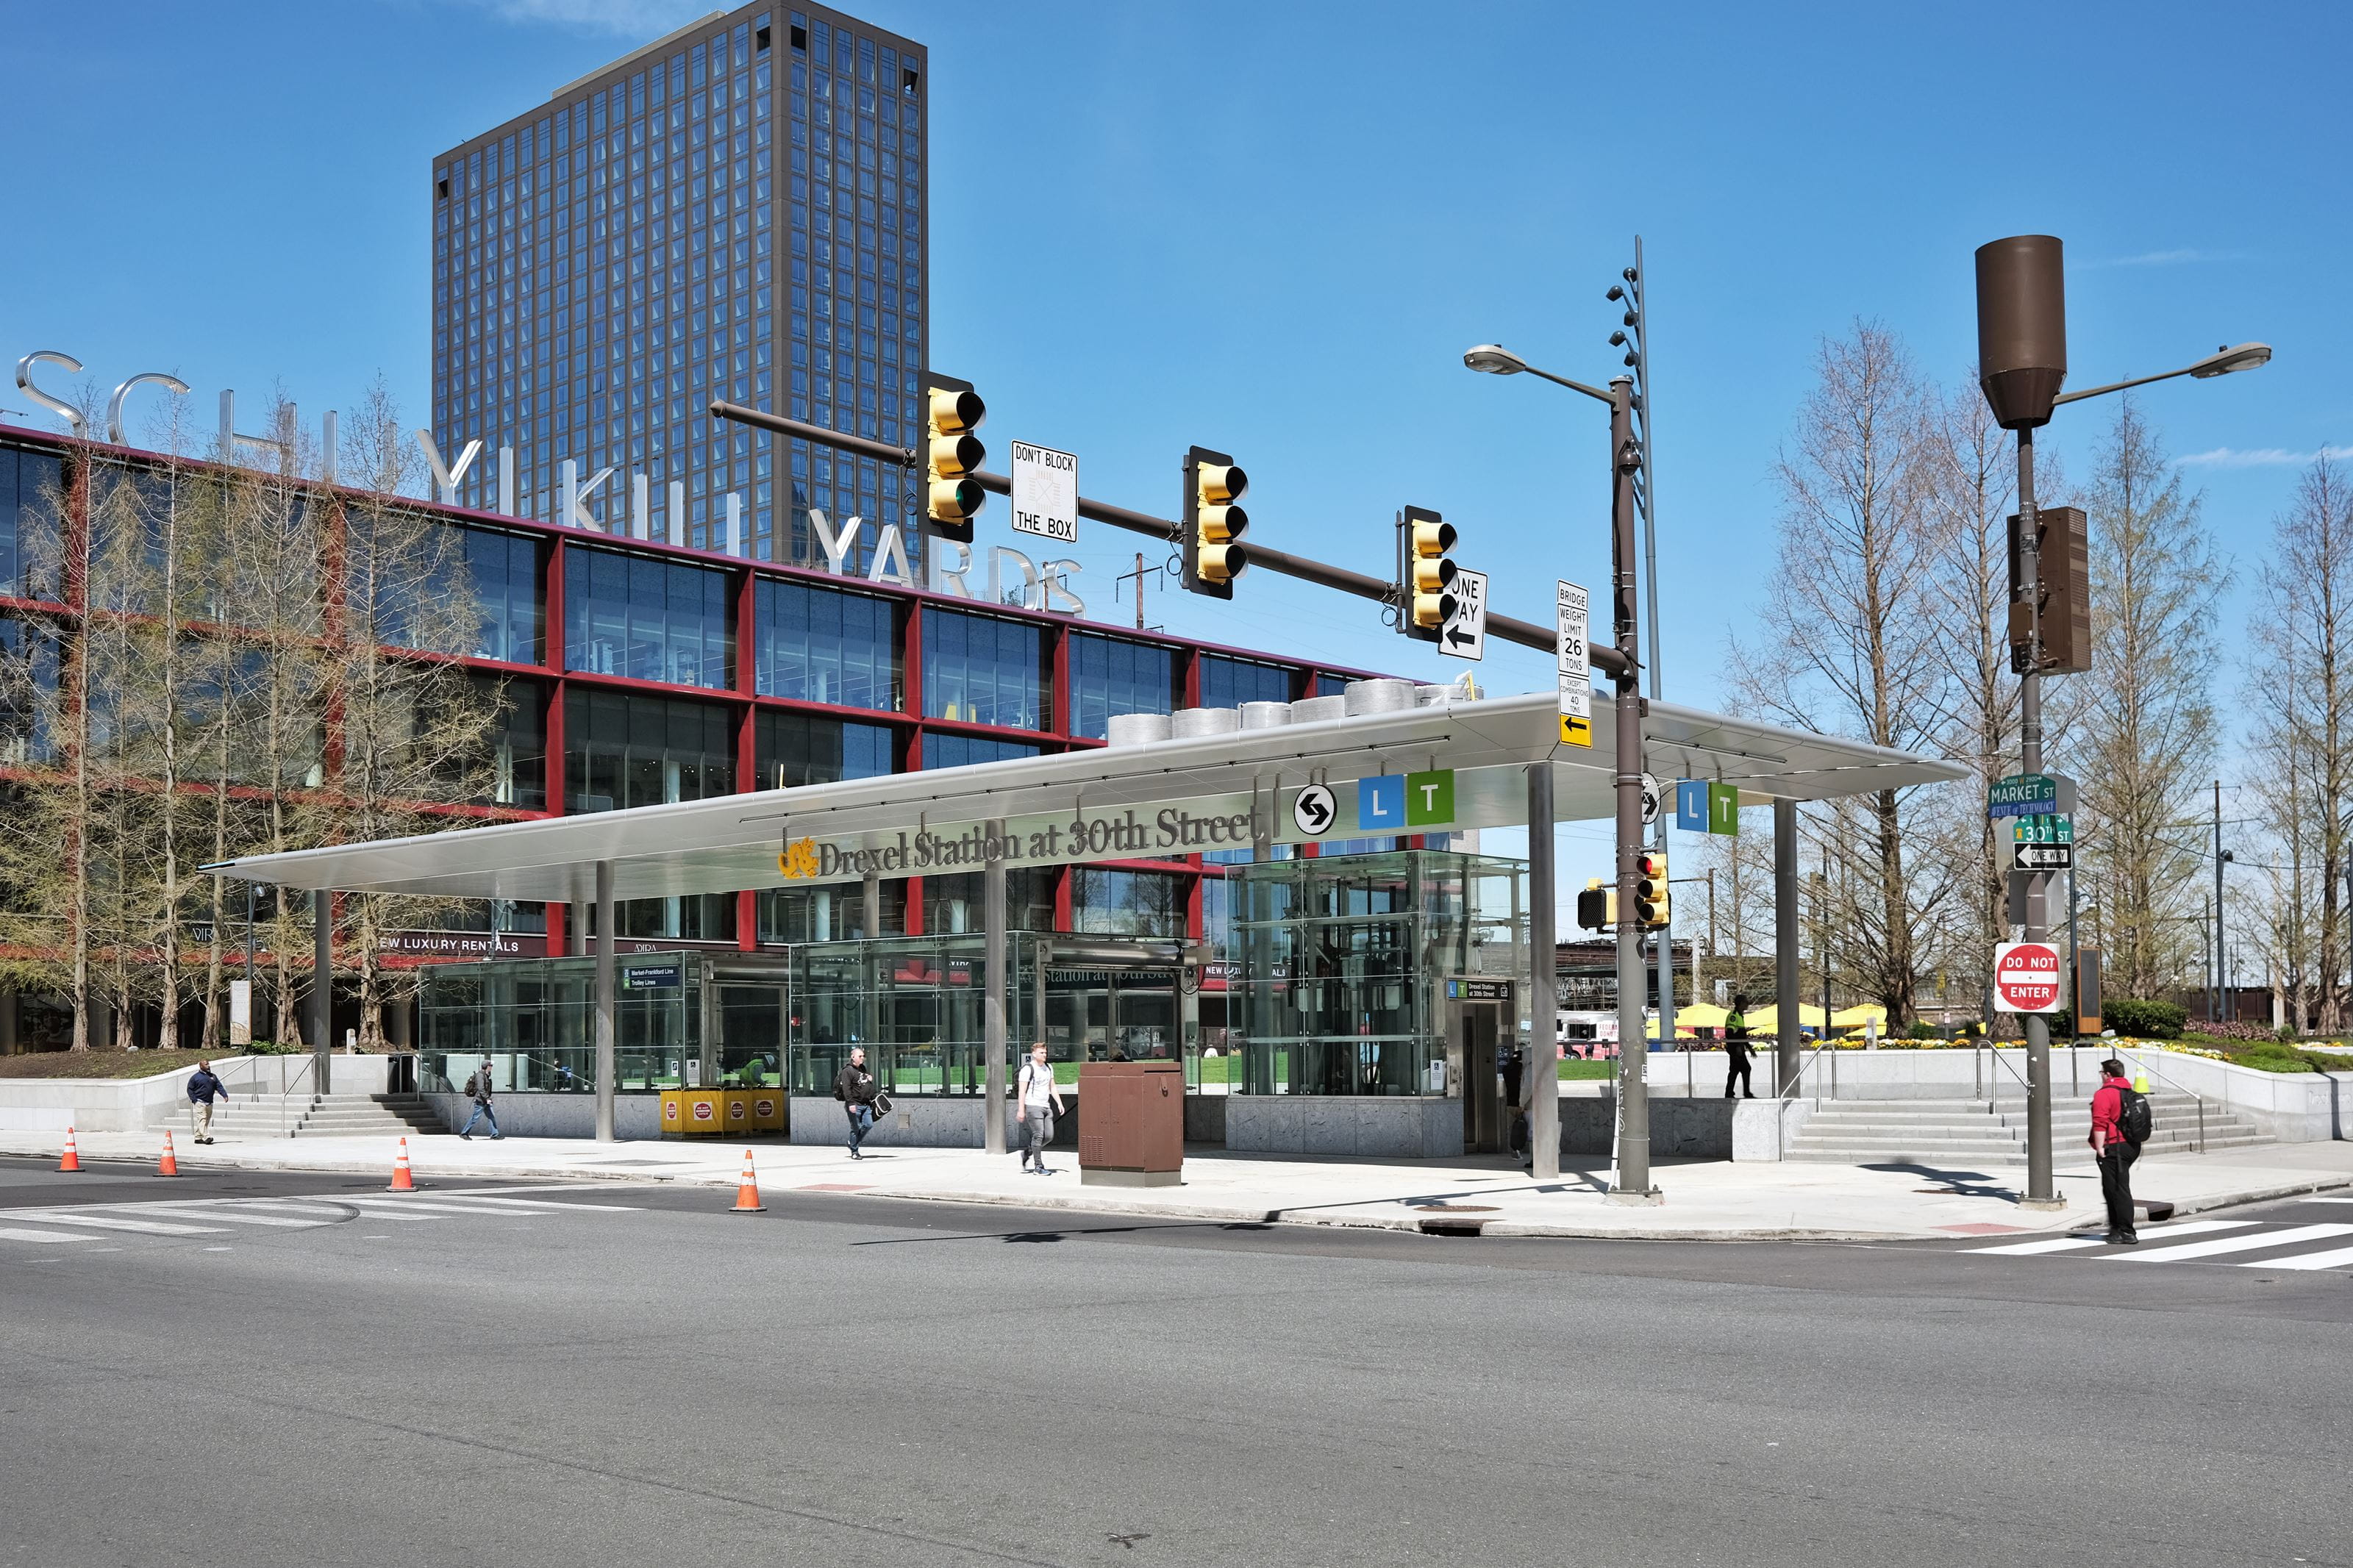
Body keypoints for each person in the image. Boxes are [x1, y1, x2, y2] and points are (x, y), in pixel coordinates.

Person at [2090, 1058, 2143, 1245]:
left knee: (2117, 1189)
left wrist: (2100, 1149)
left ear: (2108, 1074)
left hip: (2114, 1146)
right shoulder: (2128, 1091)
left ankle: (2126, 1231)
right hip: (2131, 1146)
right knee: (2114, 1187)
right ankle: (2117, 1229)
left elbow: (2100, 1123)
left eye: (2102, 1073)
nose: (2101, 1076)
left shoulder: (2104, 1094)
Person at [1015, 1042, 1065, 1175]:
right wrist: (1021, 1109)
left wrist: (1059, 1103)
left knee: (1048, 1136)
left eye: (1045, 1053)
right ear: (1034, 1054)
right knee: (1038, 1135)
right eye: (1042, 1053)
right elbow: (1022, 1091)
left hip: (1046, 1106)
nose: (1045, 1055)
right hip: (1033, 1106)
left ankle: (1027, 1152)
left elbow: (1052, 1087)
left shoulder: (1048, 1068)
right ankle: (1038, 1166)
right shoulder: (1028, 1069)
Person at [834, 1046, 878, 1159]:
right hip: (855, 1105)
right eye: (860, 1056)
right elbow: (847, 1089)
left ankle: (852, 1143)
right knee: (856, 1128)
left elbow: (863, 1083)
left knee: (868, 1125)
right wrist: (851, 1103)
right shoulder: (847, 1071)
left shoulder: (862, 1068)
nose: (863, 1058)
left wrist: (869, 1078)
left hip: (866, 1104)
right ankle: (855, 1152)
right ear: (853, 1057)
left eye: (863, 1056)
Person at [459, 1058, 503, 1140]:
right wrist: (487, 1098)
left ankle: (495, 1134)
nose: (491, 1067)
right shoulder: (480, 1076)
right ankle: (464, 1133)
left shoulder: (486, 1075)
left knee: (491, 1117)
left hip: (485, 1101)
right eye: (491, 1065)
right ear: (487, 1066)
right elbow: (481, 1088)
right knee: (475, 1118)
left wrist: (488, 1099)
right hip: (480, 1101)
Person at [1723, 995, 1756, 1100]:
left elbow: (1742, 1036)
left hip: (1739, 1048)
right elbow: (1730, 1033)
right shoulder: (1734, 1016)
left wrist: (1750, 1049)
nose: (1748, 1004)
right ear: (1741, 1003)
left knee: (1735, 1070)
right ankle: (1746, 1093)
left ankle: (1729, 1093)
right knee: (1745, 1069)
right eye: (1746, 1002)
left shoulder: (1740, 1016)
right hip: (1735, 1048)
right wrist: (1736, 1047)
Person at [187, 1060, 226, 1144]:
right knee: (202, 1119)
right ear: (201, 1066)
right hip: (200, 1102)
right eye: (206, 1064)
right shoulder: (195, 1077)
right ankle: (206, 1137)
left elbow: (219, 1086)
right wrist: (195, 1100)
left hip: (209, 1102)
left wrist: (224, 1095)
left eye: (208, 1064)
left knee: (206, 1121)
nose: (208, 1066)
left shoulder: (213, 1076)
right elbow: (190, 1089)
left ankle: (198, 1137)